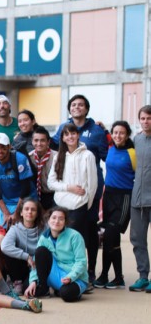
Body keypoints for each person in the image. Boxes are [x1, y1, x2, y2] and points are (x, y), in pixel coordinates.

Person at [51, 94, 108, 281]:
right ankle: (65, 269)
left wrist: (89, 200)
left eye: (81, 105)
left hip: (88, 191)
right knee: (66, 231)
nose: (77, 107)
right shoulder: (63, 127)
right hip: (67, 196)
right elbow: (51, 144)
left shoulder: (97, 131)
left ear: (86, 108)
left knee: (89, 231)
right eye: (73, 104)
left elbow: (106, 155)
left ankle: (90, 271)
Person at [48, 123, 97, 281]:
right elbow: (51, 183)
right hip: (61, 204)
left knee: (77, 241)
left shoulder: (87, 155)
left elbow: (92, 184)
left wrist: (85, 204)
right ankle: (63, 273)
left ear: (78, 135)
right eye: (66, 134)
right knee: (60, 240)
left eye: (73, 133)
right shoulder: (58, 156)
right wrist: (69, 187)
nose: (70, 137)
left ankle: (82, 275)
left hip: (79, 206)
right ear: (62, 138)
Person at [94, 121, 135, 289]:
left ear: (127, 135)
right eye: (115, 132)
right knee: (112, 238)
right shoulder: (110, 145)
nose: (118, 135)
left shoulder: (132, 153)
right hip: (108, 195)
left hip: (125, 197)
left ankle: (105, 274)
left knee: (111, 234)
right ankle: (117, 277)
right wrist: (103, 128)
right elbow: (107, 135)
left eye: (122, 133)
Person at [25, 207, 89, 302]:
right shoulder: (44, 238)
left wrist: (71, 277)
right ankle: (44, 288)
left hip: (74, 277)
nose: (57, 221)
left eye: (61, 218)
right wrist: (33, 281)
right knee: (27, 287)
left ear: (65, 222)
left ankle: (68, 291)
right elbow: (36, 263)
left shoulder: (75, 236)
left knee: (66, 294)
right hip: (54, 272)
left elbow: (81, 262)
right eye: (54, 217)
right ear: (48, 220)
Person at [0, 133, 35, 227]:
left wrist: (16, 213)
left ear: (9, 147)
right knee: (1, 231)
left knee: (22, 230)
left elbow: (26, 187)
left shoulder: (20, 158)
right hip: (6, 202)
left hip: (25, 200)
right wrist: (6, 213)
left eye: (3, 147)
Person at [1, 198, 45, 295]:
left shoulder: (44, 229)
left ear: (37, 214)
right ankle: (17, 281)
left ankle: (40, 283)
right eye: (26, 209)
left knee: (31, 290)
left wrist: (33, 259)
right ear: (21, 213)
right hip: (23, 266)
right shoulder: (15, 229)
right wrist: (27, 257)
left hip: (38, 265)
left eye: (33, 209)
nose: (29, 212)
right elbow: (4, 247)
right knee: (8, 250)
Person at [129, 105, 151, 292]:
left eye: (149, 118)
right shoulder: (136, 139)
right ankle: (143, 276)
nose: (146, 122)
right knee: (137, 240)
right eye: (143, 118)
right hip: (138, 200)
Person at [30, 126, 56, 209]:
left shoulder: (57, 157)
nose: (39, 144)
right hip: (35, 195)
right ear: (32, 141)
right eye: (36, 140)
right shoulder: (29, 157)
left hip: (53, 194)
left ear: (48, 142)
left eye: (42, 140)